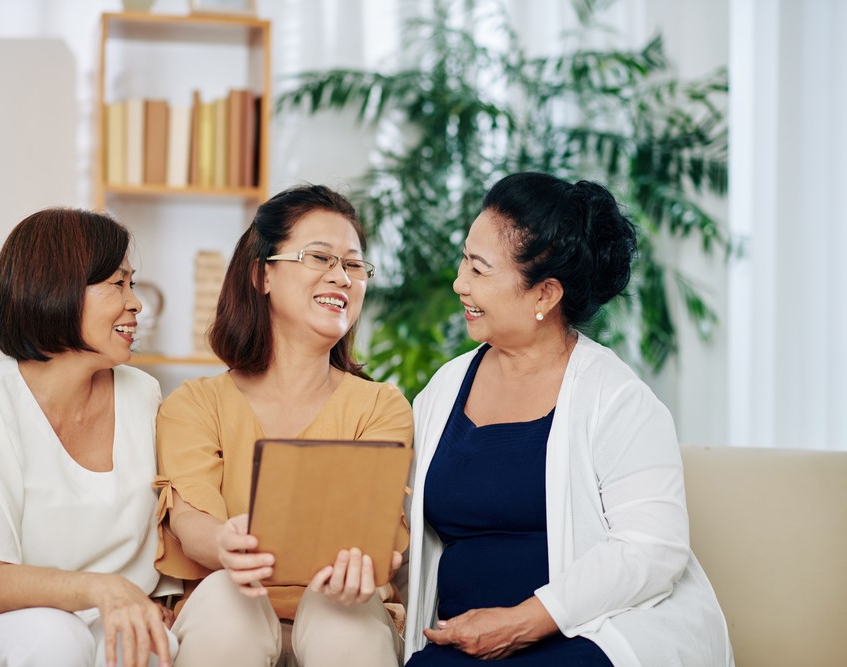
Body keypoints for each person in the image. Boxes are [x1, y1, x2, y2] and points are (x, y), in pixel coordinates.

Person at [403, 172, 734, 666]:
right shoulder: (443, 390)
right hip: (462, 644)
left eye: (479, 269)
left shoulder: (619, 400)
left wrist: (522, 622)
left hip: (588, 639)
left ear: (544, 295)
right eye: (464, 260)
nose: (459, 282)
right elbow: (404, 526)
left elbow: (653, 549)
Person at [0, 208, 179, 667]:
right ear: (60, 292)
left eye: (133, 284)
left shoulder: (143, 396)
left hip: (95, 617)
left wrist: (161, 603)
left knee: (150, 644)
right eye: (118, 283)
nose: (136, 303)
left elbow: (166, 527)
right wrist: (102, 588)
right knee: (53, 636)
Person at [154, 184, 412, 666]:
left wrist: (367, 566)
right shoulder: (194, 404)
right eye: (320, 258)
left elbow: (373, 536)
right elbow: (191, 523)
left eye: (354, 265)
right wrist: (225, 544)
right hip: (225, 606)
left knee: (340, 613)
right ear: (262, 274)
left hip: (344, 607)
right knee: (231, 599)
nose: (341, 277)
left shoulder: (381, 406)